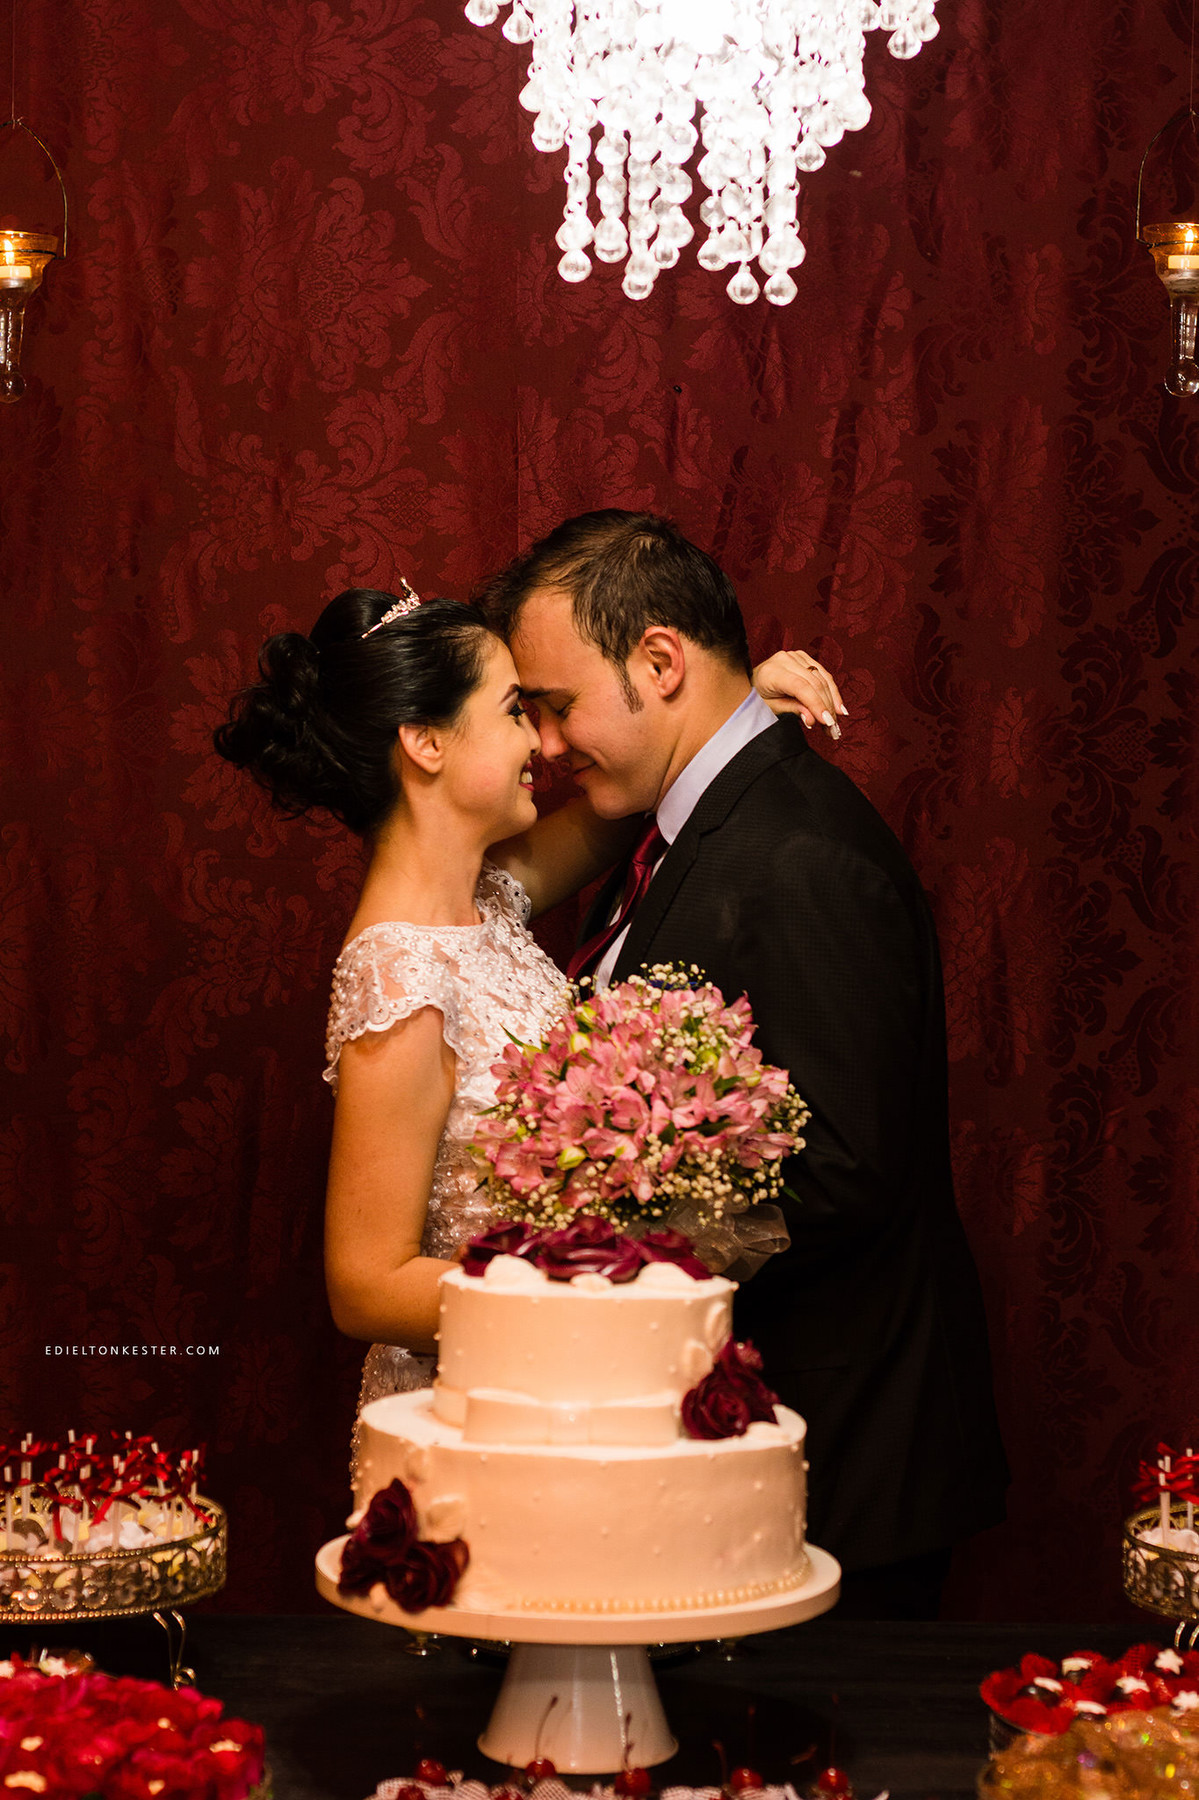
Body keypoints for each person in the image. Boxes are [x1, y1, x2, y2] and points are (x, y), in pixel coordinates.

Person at [477, 509, 1010, 1620]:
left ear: (659, 661)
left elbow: (844, 1171)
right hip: (752, 1440)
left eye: (557, 703)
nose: (545, 742)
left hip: (839, 1458)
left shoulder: (799, 854)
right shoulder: (697, 823)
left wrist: (606, 1245)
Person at [213, 580, 843, 1460]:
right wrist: (591, 1286)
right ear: (425, 743)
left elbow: (609, 813)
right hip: (482, 1410)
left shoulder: (488, 900)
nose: (542, 746)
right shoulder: (399, 975)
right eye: (514, 711)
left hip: (571, 1385)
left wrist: (729, 706)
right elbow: (363, 1284)